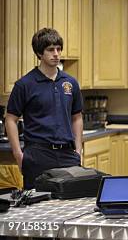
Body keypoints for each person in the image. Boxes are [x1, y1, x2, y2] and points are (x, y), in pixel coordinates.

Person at [6, 28, 83, 190]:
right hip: (37, 155)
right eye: (50, 50)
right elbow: (10, 119)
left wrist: (78, 149)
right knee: (36, 205)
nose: (56, 54)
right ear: (39, 53)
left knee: (73, 204)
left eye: (59, 49)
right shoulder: (25, 84)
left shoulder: (70, 83)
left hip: (68, 155)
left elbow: (77, 117)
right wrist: (18, 154)